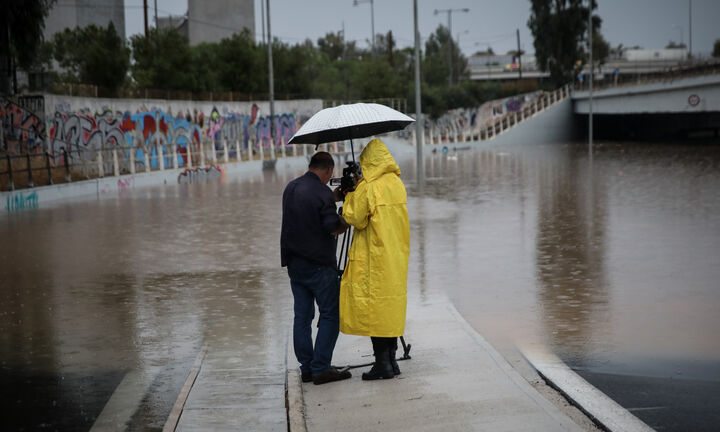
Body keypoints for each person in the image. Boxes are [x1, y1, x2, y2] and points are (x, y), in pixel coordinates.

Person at [339, 138, 410, 380]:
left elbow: (354, 217)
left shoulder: (369, 187)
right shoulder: (396, 184)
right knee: (390, 307)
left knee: (376, 310)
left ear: (368, 162)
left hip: (374, 258)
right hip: (395, 256)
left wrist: (351, 194)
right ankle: (391, 361)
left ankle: (383, 365)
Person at [281, 151, 351, 385]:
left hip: (294, 264)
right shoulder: (322, 193)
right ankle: (321, 368)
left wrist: (332, 198)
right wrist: (349, 218)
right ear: (329, 170)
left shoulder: (291, 188)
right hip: (320, 266)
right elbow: (332, 227)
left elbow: (308, 211)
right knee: (330, 315)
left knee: (302, 316)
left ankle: (308, 368)